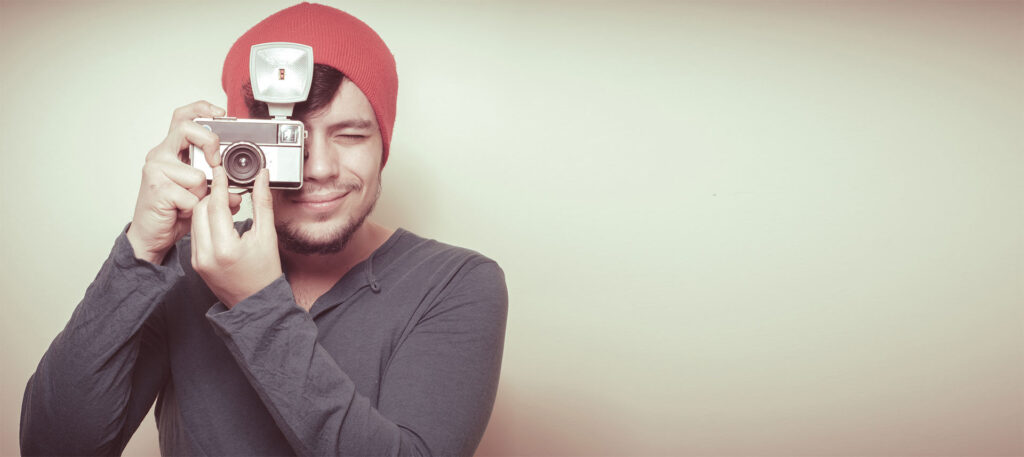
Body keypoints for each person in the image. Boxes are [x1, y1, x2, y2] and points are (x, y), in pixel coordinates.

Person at [20, 3, 508, 456]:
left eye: (351, 135)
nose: (315, 169)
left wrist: (257, 306)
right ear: (235, 146)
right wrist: (140, 254)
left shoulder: (456, 283)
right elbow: (54, 448)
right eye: (284, 141)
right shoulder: (188, 265)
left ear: (385, 147)